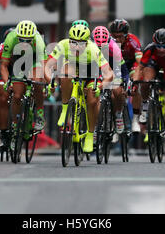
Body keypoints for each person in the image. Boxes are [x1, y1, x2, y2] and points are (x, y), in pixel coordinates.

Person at [44, 24, 114, 153]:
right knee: (66, 72)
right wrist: (51, 82)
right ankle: (65, 109)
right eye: (73, 43)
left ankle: (89, 135)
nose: (76, 47)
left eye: (81, 44)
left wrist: (100, 85)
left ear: (87, 43)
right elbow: (48, 66)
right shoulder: (63, 45)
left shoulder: (93, 50)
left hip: (90, 73)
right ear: (69, 40)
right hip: (72, 69)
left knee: (92, 101)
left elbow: (109, 73)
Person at [0, 20, 47, 133]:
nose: (25, 43)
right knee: (17, 96)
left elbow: (45, 66)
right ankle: (15, 125)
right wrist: (7, 82)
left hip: (34, 60)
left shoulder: (39, 40)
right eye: (21, 40)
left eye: (28, 41)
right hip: (18, 62)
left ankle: (40, 115)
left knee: (37, 82)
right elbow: (4, 65)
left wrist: (47, 83)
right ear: (17, 36)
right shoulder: (11, 38)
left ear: (33, 38)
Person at [92, 26, 128, 134]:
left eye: (104, 46)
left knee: (117, 90)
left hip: (113, 65)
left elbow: (119, 70)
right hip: (97, 65)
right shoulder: (90, 46)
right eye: (99, 46)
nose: (102, 48)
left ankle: (118, 115)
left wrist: (121, 81)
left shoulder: (114, 47)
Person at [109, 19, 143, 132]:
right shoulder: (109, 42)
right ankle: (116, 119)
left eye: (120, 36)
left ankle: (135, 119)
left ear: (126, 35)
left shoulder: (133, 41)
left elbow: (139, 62)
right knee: (114, 94)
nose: (117, 39)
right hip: (116, 65)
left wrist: (134, 80)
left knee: (135, 88)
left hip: (131, 65)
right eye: (114, 36)